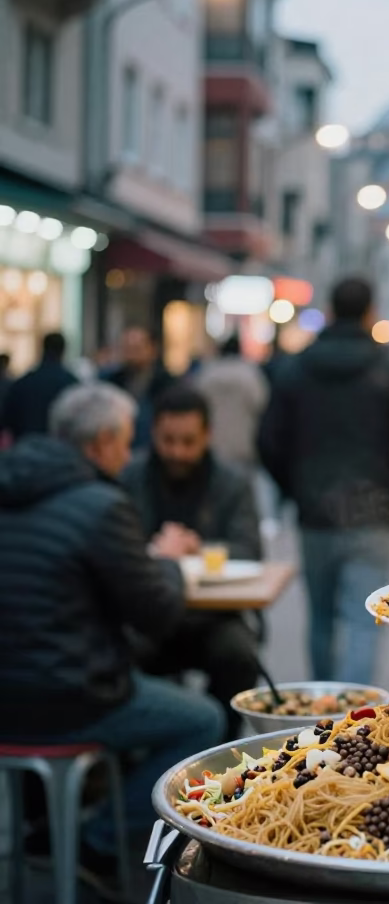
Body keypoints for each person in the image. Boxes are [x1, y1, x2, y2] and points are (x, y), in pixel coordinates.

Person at [0, 383, 223, 890]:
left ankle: (50, 829)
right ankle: (96, 841)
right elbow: (158, 613)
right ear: (102, 442)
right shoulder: (100, 504)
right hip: (72, 700)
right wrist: (168, 561)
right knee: (202, 720)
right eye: (125, 442)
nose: (128, 454)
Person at [259, 277, 389, 684]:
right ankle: (355, 715)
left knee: (321, 619)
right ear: (370, 312)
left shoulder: (296, 368)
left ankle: (322, 710)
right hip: (375, 510)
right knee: (364, 621)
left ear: (329, 311)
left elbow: (269, 441)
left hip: (315, 512)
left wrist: (294, 487)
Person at [121, 384, 262, 738]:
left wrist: (199, 549)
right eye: (168, 440)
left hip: (214, 616)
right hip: (146, 614)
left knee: (239, 656)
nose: (177, 452)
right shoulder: (130, 476)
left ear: (207, 435)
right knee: (116, 655)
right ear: (153, 433)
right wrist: (156, 551)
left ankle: (221, 746)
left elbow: (250, 550)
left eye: (188, 442)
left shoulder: (232, 482)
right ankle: (143, 749)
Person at [192, 334, 270, 477]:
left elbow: (195, 405)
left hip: (212, 443)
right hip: (243, 444)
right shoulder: (250, 374)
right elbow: (262, 405)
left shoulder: (207, 373)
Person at [104, 326, 175, 448]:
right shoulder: (110, 382)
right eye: (127, 349)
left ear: (152, 349)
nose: (131, 355)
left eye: (137, 349)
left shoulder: (167, 384)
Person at [1, 332, 78, 439]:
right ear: (63, 350)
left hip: (25, 443)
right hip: (60, 445)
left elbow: (7, 420)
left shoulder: (22, 383)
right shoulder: (72, 384)